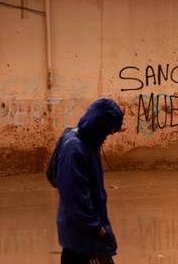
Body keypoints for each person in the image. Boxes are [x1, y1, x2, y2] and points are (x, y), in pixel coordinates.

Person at [54, 98, 124, 264]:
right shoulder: (74, 148)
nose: (108, 136)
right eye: (108, 131)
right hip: (83, 238)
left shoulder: (89, 143)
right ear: (100, 125)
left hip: (83, 234)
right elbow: (76, 201)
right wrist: (100, 230)